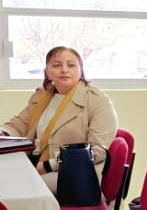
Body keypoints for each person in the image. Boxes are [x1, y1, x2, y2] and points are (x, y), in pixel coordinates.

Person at [3, 46, 118, 196]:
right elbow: (19, 124)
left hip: (76, 173)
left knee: (15, 188)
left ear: (80, 70)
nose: (64, 70)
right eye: (56, 65)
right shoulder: (41, 97)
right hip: (35, 163)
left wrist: (48, 165)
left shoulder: (98, 101)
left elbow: (98, 150)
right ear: (47, 71)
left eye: (71, 65)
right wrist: (3, 133)